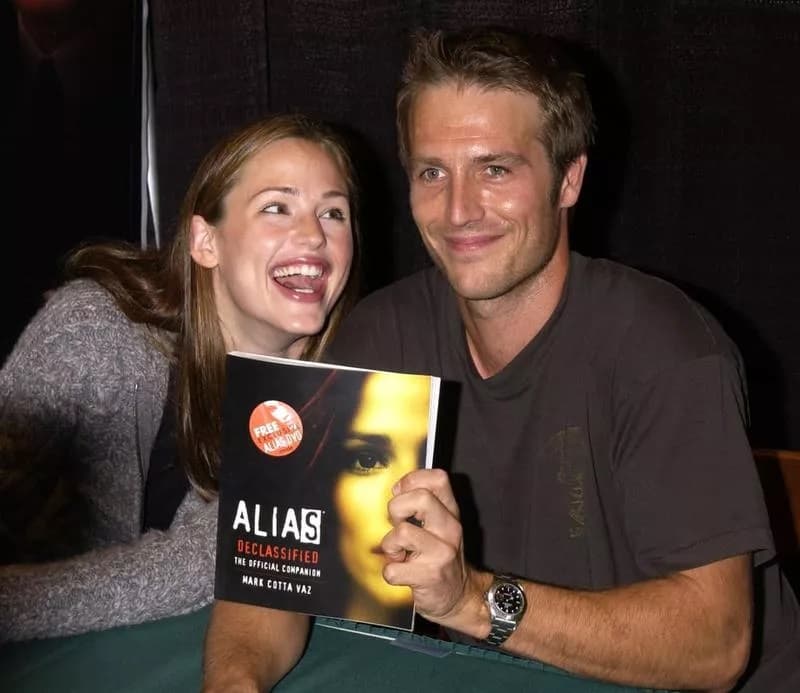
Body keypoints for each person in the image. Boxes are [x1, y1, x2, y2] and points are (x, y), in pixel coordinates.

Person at [201, 27, 800, 693]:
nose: (459, 210)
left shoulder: (668, 351)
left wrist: (470, 601)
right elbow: (273, 574)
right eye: (433, 172)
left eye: (495, 168)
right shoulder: (380, 338)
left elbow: (717, 645)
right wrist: (235, 683)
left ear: (568, 179)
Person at [0, 112, 361, 641]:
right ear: (204, 241)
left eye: (334, 213)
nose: (312, 235)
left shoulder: (341, 384)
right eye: (276, 207)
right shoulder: (95, 333)